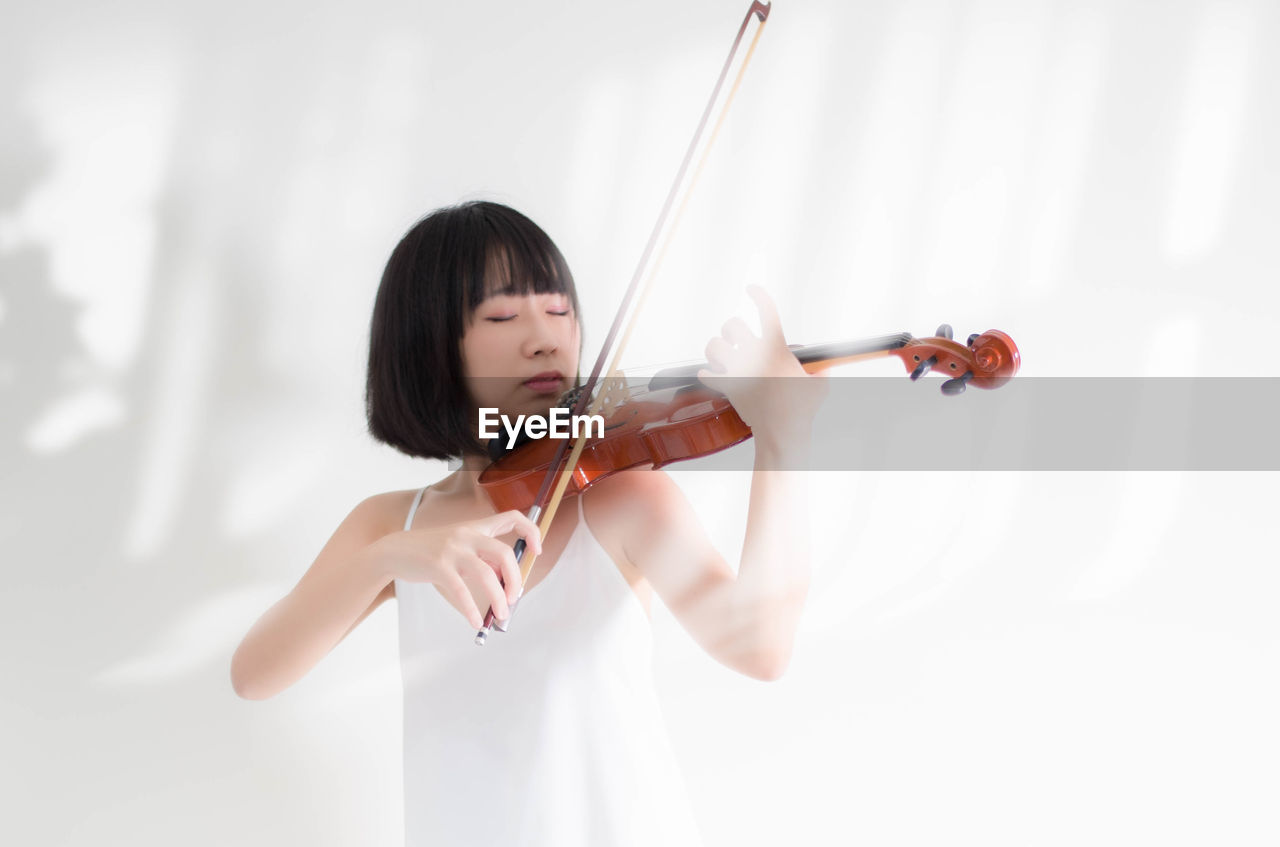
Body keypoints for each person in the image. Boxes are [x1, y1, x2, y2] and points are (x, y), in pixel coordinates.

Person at [230, 200, 827, 846]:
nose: (546, 335)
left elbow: (761, 646)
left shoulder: (621, 498)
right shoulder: (391, 523)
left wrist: (782, 442)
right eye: (504, 315)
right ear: (431, 344)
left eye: (560, 308)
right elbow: (255, 674)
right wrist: (396, 555)